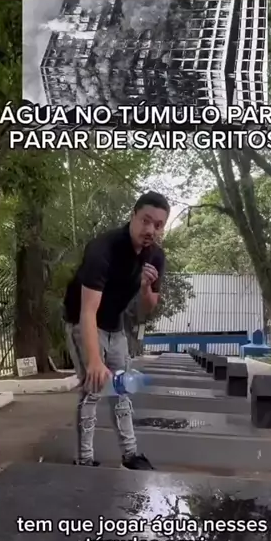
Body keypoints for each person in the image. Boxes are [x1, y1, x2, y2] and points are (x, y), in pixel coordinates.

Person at [64, 191, 170, 470]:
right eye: (146, 220)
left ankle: (130, 456)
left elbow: (148, 308)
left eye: (158, 225)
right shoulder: (103, 249)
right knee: (93, 389)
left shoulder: (155, 257)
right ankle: (84, 459)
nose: (150, 230)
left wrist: (146, 288)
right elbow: (88, 311)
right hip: (84, 322)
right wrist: (95, 361)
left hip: (115, 327)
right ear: (133, 215)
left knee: (121, 391)